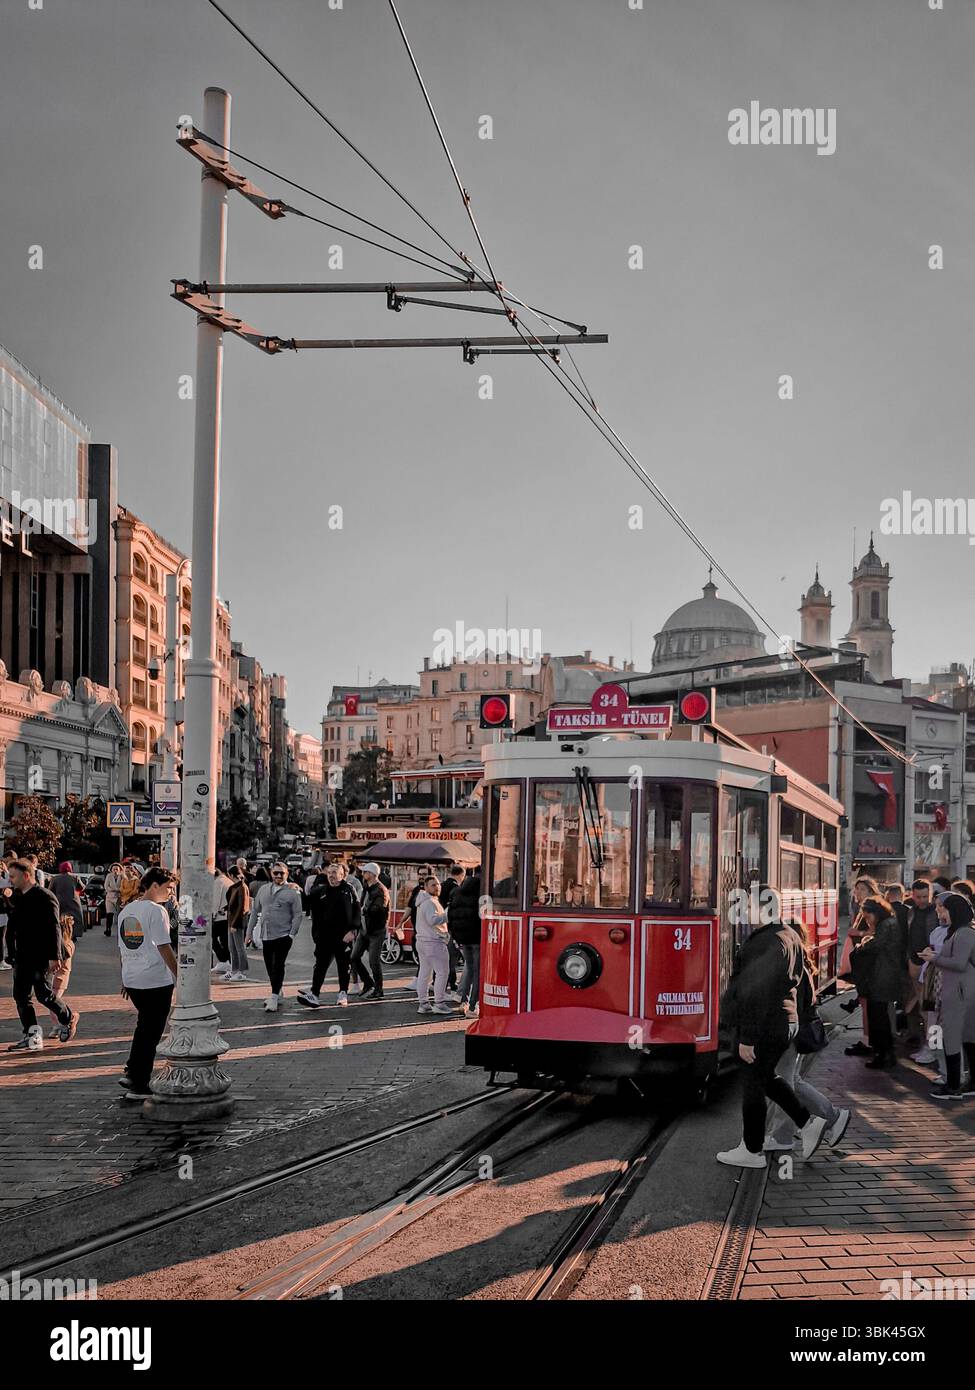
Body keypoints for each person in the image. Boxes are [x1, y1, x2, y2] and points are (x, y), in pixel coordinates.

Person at [716, 886, 827, 1168]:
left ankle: (751, 1151)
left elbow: (757, 993)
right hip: (786, 1021)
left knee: (753, 1084)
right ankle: (807, 1122)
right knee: (766, 1078)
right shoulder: (789, 935)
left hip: (765, 1025)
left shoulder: (762, 943)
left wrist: (748, 1037)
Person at [763, 919, 850, 1152]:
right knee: (791, 1081)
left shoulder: (792, 965)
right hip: (793, 1029)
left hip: (788, 1031)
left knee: (785, 1083)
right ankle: (832, 1117)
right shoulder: (799, 960)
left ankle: (783, 1137)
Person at [116, 866, 178, 1101]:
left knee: (144, 1027)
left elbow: (122, 947)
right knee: (151, 1031)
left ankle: (133, 1071)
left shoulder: (126, 910)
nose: (170, 893)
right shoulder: (156, 911)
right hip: (155, 979)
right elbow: (164, 946)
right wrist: (179, 976)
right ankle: (139, 1082)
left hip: (133, 979)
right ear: (154, 885)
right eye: (168, 888)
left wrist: (124, 976)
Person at [5, 858, 79, 1052]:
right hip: (22, 955)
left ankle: (68, 1017)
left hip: (41, 955)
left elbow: (54, 927)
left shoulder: (45, 896)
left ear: (26, 875)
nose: (10, 880)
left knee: (44, 994)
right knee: (21, 996)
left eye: (13, 876)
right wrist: (10, 953)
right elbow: (12, 926)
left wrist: (55, 956)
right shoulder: (18, 896)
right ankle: (32, 1035)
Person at [920, 892, 975, 1100]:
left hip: (959, 992)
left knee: (951, 1038)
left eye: (944, 908)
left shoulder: (963, 933)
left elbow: (959, 963)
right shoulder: (961, 932)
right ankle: (968, 1083)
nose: (941, 912)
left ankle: (952, 1086)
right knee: (968, 1038)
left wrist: (935, 958)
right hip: (962, 991)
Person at [849, 896, 902, 1069]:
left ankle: (883, 1054)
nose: (867, 921)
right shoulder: (890, 922)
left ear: (875, 913)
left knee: (878, 1017)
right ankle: (886, 1053)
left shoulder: (886, 925)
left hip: (881, 976)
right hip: (885, 975)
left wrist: (861, 946)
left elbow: (876, 945)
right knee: (880, 1017)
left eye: (867, 916)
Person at [298, 862, 361, 1009]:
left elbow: (357, 911)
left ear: (342, 875)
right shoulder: (321, 890)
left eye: (335, 872)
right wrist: (296, 889)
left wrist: (353, 930)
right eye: (329, 872)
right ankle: (314, 994)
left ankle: (342, 993)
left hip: (343, 935)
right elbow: (306, 902)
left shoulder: (349, 890)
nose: (331, 875)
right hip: (324, 936)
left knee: (343, 965)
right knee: (320, 965)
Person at [248, 863, 302, 1012]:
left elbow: (298, 914)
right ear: (271, 873)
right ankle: (277, 991)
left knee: (278, 965)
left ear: (287, 874)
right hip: (266, 934)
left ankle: (273, 996)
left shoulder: (292, 892)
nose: (278, 876)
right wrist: (249, 933)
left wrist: (292, 934)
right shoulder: (264, 889)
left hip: (283, 934)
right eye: (276, 873)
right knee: (269, 966)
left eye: (282, 873)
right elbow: (255, 911)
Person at [841, 875, 879, 1057]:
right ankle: (868, 1039)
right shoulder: (863, 908)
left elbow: (874, 931)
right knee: (865, 1003)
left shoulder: (871, 907)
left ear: (871, 891)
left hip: (868, 963)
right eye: (856, 889)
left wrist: (857, 932)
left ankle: (868, 1041)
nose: (857, 892)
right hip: (863, 961)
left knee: (867, 1002)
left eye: (862, 889)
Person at [413, 874, 457, 1015]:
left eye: (438, 884)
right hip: (433, 942)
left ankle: (423, 1003)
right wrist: (447, 914)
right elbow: (433, 921)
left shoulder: (422, 901)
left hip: (422, 941)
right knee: (442, 973)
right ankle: (439, 1003)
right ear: (425, 887)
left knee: (424, 973)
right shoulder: (430, 902)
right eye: (433, 884)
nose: (437, 886)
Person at [907, 879, 940, 1061]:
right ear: (912, 895)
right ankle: (930, 1046)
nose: (922, 900)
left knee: (931, 1009)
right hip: (915, 961)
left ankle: (934, 1048)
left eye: (925, 897)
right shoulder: (910, 912)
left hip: (932, 963)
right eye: (918, 897)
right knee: (924, 1007)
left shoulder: (936, 912)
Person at [351, 863, 390, 1000]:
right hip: (365, 929)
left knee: (374, 961)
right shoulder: (367, 887)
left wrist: (364, 910)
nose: (363, 874)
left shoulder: (380, 889)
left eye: (365, 872)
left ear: (372, 874)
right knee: (354, 957)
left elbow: (379, 908)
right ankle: (368, 982)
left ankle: (379, 990)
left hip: (376, 930)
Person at [447, 869, 482, 1016]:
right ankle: (473, 1006)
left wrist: (455, 936)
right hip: (477, 939)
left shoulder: (456, 892)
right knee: (477, 972)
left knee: (469, 970)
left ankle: (464, 1001)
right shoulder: (480, 895)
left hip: (463, 938)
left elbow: (450, 915)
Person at [221, 865, 251, 981]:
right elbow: (232, 904)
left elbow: (242, 907)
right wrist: (225, 908)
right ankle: (234, 970)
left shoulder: (242, 887)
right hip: (231, 920)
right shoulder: (235, 887)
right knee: (232, 947)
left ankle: (241, 971)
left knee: (239, 947)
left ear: (232, 875)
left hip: (236, 922)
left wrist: (234, 924)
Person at [441, 866, 465, 991]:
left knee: (444, 959)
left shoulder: (440, 886)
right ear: (461, 875)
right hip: (451, 928)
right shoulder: (457, 889)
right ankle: (450, 984)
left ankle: (443, 983)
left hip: (440, 927)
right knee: (452, 959)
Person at [50, 862, 86, 944]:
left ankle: (62, 934)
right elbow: (82, 887)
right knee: (74, 918)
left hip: (59, 901)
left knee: (61, 918)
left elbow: (50, 890)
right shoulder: (75, 877)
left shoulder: (55, 878)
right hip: (73, 901)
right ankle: (73, 934)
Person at [210, 867, 232, 975]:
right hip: (227, 916)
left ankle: (223, 960)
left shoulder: (218, 882)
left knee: (211, 937)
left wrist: (212, 914)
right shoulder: (227, 880)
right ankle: (227, 961)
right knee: (225, 940)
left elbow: (216, 900)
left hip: (220, 917)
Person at [0, 854, 14, 969]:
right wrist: (6, 871)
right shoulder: (1, 880)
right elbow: (10, 882)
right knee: (1, 936)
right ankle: (1, 961)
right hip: (1, 912)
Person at [103, 861, 123, 938]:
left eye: (117, 869)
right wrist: (114, 889)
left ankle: (120, 930)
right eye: (114, 869)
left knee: (119, 914)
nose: (115, 871)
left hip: (119, 897)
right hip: (110, 897)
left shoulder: (122, 876)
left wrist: (118, 890)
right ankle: (108, 929)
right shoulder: (109, 876)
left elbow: (123, 886)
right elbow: (106, 886)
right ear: (111, 870)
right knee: (109, 914)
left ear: (119, 870)